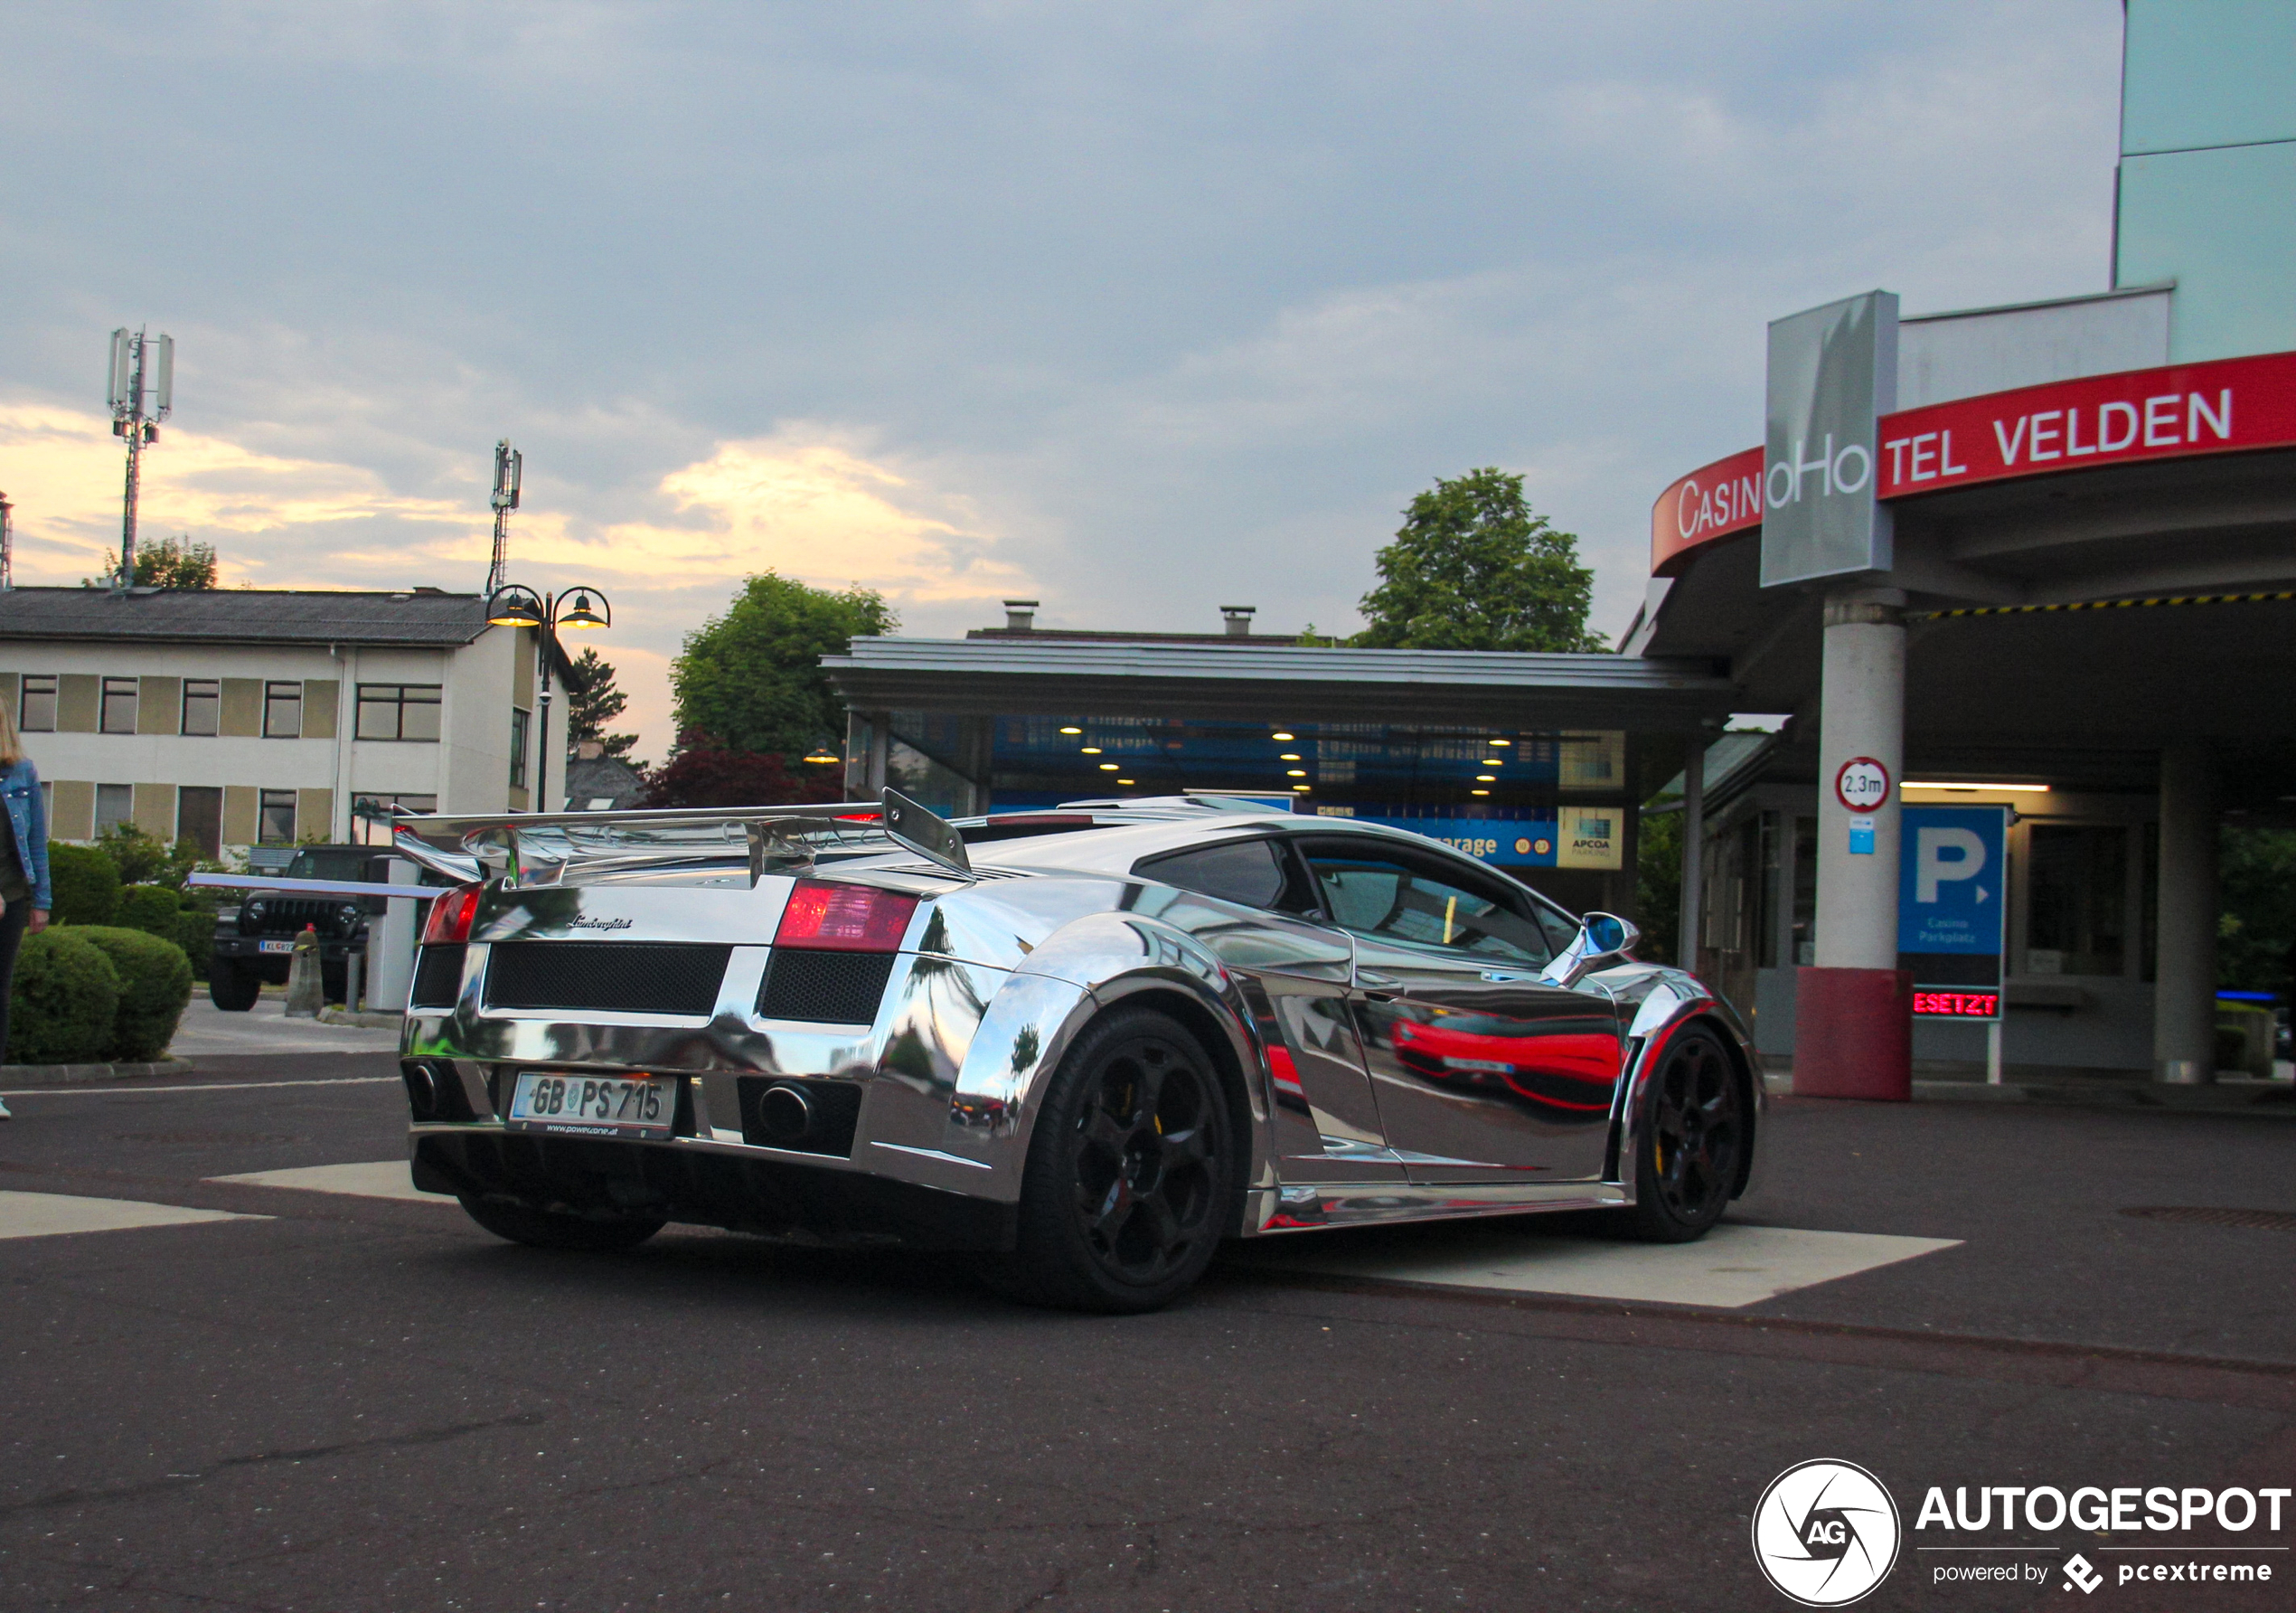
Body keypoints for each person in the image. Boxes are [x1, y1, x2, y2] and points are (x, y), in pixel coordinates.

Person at [0, 700, 51, 1120]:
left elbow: (36, 842)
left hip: (13, 895)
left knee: (0, 992)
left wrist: (41, 902)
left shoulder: (22, 772)